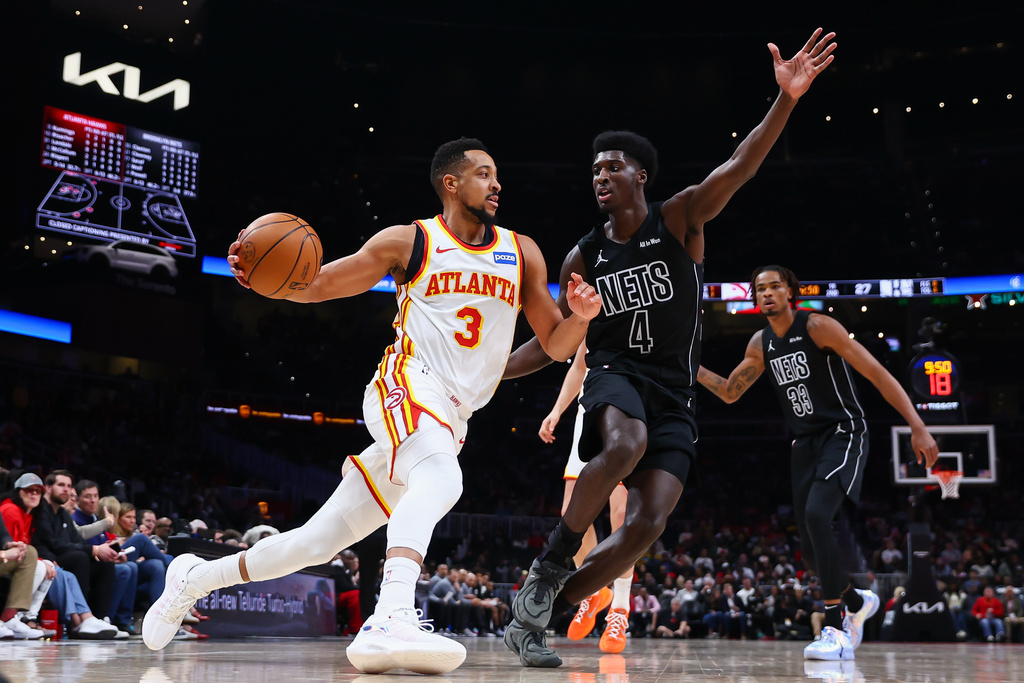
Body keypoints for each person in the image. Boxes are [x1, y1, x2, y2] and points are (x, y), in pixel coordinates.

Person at [143, 137, 601, 675]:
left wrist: (581, 316)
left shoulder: (522, 251)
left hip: (453, 416)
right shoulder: (410, 241)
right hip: (406, 384)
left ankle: (194, 578)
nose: (496, 183)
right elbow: (320, 284)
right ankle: (390, 614)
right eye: (482, 173)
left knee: (315, 543)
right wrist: (270, 283)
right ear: (450, 184)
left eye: (496, 174)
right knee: (443, 479)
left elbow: (554, 344)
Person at [504, 27, 839, 666]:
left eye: (612, 167)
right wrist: (488, 374)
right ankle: (550, 565)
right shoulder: (584, 254)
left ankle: (541, 608)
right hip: (615, 371)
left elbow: (740, 164)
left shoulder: (681, 217)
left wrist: (787, 100)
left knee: (647, 526)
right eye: (594, 169)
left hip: (675, 390)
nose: (600, 176)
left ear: (641, 176)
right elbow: (550, 342)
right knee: (624, 447)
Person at [697, 265, 940, 660]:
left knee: (816, 515)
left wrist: (917, 426)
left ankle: (834, 626)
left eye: (775, 286)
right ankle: (858, 603)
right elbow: (728, 392)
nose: (767, 293)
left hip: (843, 431)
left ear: (790, 291)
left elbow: (876, 373)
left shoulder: (818, 327)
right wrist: (689, 368)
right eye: (760, 288)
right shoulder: (761, 344)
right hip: (805, 443)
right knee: (809, 548)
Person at [507, 339, 634, 653]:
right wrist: (557, 410)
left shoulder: (641, 312)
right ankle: (595, 591)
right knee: (571, 513)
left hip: (629, 414)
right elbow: (579, 367)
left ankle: (620, 608)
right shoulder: (594, 311)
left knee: (621, 517)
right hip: (588, 412)